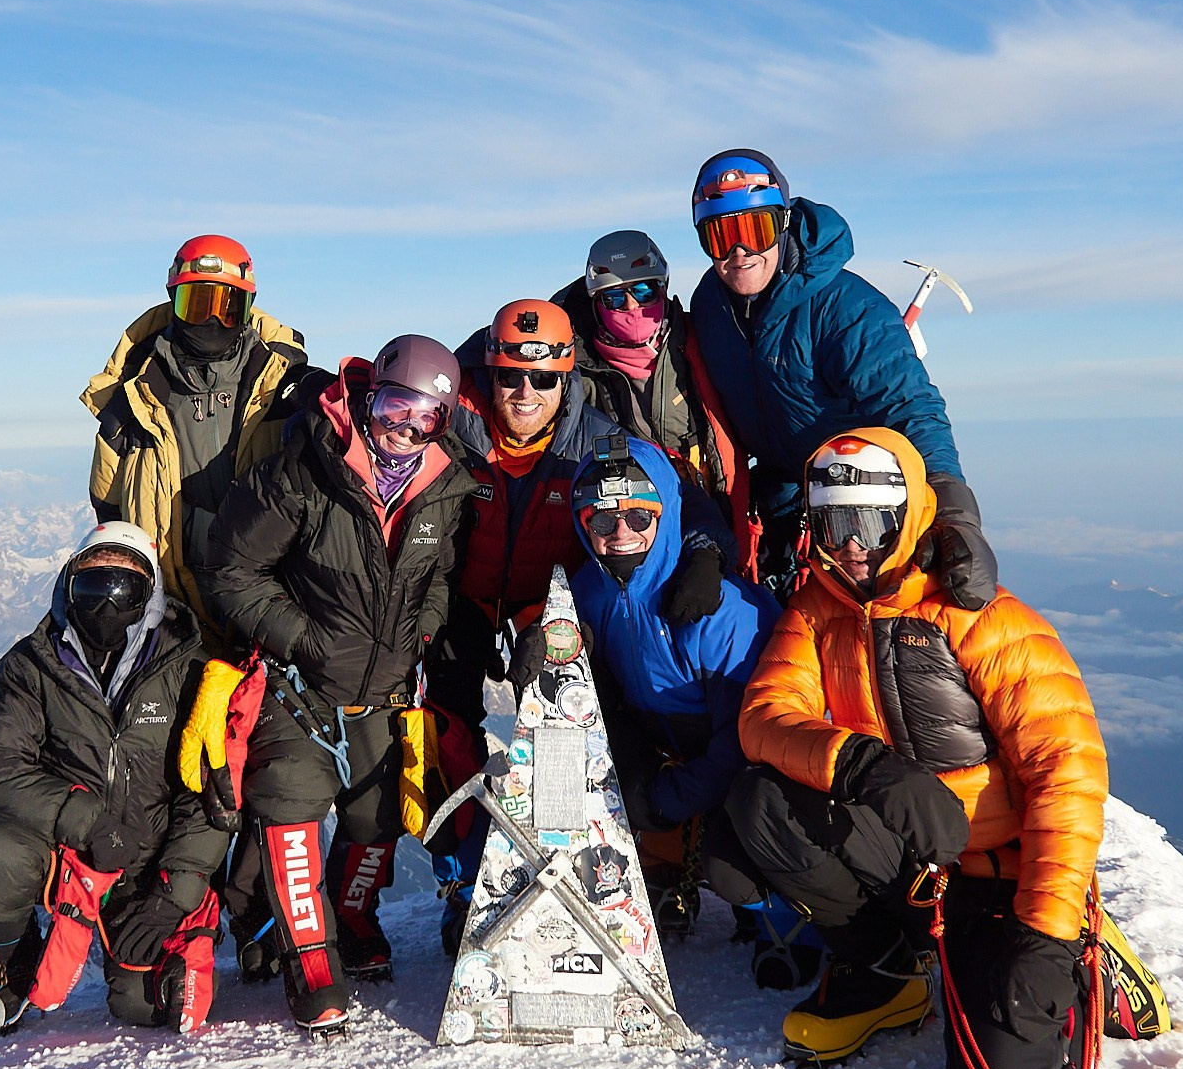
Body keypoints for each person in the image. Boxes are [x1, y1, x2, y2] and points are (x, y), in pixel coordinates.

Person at [730, 429, 1108, 1069]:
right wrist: (861, 765)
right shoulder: (817, 609)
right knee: (756, 809)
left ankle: (1092, 963)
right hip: (908, 860)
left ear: (907, 521)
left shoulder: (985, 619)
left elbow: (1068, 774)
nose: (851, 545)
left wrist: (1046, 937)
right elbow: (765, 716)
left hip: (994, 874)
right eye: (832, 524)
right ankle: (885, 973)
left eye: (870, 523)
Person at [426, 299, 734, 951]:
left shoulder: (596, 440)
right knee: (448, 739)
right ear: (489, 372)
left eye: (543, 378)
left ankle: (581, 876)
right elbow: (384, 434)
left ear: (566, 376)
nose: (525, 392)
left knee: (557, 739)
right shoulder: (454, 423)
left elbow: (678, 495)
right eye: (510, 376)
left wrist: (705, 553)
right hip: (461, 605)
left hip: (557, 608)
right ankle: (465, 888)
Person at [206, 335, 472, 1035]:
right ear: (368, 398)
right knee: (290, 810)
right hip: (299, 688)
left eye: (427, 417)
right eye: (394, 407)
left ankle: (353, 920)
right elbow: (232, 569)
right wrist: (302, 640)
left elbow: (439, 576)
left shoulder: (443, 488)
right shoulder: (303, 474)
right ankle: (313, 965)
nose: (405, 428)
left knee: (376, 818)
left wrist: (421, 635)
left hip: (385, 690)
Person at [0, 522, 230, 1039]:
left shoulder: (190, 667)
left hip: (147, 857)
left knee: (142, 1007)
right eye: (93, 588)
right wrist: (83, 820)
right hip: (67, 848)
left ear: (151, 596)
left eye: (124, 589)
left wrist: (176, 891)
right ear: (68, 589)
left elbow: (210, 791)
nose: (106, 605)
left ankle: (180, 941)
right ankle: (13, 971)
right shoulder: (33, 665)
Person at [687, 151, 997, 608]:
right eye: (720, 235)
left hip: (859, 515)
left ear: (783, 224)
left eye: (756, 230)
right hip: (777, 506)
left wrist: (954, 516)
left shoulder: (847, 308)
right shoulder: (710, 307)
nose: (739, 251)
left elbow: (909, 407)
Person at [565, 435, 816, 987]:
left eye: (640, 517)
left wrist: (670, 797)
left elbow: (747, 736)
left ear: (666, 516)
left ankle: (787, 916)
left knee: (739, 840)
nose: (621, 534)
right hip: (667, 740)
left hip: (748, 756)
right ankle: (660, 874)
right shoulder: (589, 593)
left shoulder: (723, 611)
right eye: (602, 521)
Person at [79, 234, 327, 636]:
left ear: (247, 309)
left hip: (270, 602)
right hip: (173, 609)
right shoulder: (132, 400)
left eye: (227, 308)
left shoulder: (287, 387)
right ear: (173, 303)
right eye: (196, 306)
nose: (212, 321)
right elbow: (108, 505)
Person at [548, 230, 745, 545]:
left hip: (712, 507)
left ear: (663, 289)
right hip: (628, 524)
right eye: (614, 297)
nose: (631, 306)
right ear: (596, 304)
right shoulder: (580, 368)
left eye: (644, 291)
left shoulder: (701, 340)